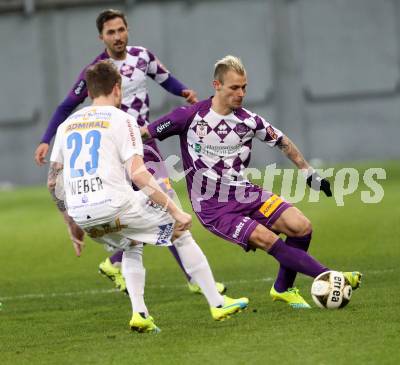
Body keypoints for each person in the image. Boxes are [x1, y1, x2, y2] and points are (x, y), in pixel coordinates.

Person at [142, 55, 363, 309]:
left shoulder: (248, 120)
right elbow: (145, 133)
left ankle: (283, 288)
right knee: (269, 240)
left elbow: (282, 141)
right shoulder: (189, 116)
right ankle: (331, 276)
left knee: (301, 226)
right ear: (217, 85)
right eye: (234, 87)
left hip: (245, 193)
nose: (241, 93)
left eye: (244, 87)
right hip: (214, 208)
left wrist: (308, 172)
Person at [35, 9, 225, 295]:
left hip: (144, 141)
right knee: (164, 202)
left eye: (121, 29)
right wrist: (46, 139)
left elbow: (165, 77)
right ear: (101, 37)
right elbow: (65, 106)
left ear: (127, 29)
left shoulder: (142, 57)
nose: (117, 36)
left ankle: (118, 262)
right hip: (118, 147)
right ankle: (189, 277)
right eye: (110, 32)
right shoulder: (97, 71)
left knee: (158, 204)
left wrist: (184, 91)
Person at [48, 61, 248, 332]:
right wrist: (175, 211)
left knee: (132, 243)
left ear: (90, 92)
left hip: (83, 216)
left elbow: (53, 182)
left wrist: (72, 225)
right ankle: (217, 302)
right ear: (117, 88)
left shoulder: (66, 126)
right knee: (179, 230)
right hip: (114, 206)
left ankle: (140, 314)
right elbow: (139, 174)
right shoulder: (123, 119)